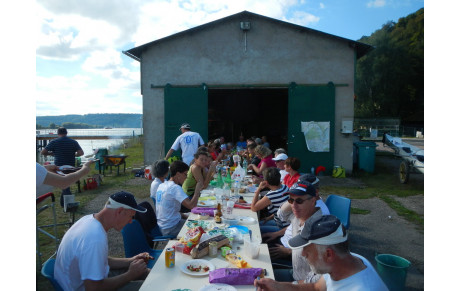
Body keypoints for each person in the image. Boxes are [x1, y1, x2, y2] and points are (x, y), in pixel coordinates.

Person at [254, 215, 388, 291]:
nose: (302, 254)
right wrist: (276, 286)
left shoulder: (362, 288)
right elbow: (316, 287)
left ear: (329, 254)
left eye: (307, 249)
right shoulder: (345, 262)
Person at [54, 191, 151, 291]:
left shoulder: (89, 219)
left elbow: (100, 259)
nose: (131, 221)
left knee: (144, 272)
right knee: (151, 287)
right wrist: (130, 275)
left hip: (83, 280)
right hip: (84, 287)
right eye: (131, 216)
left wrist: (130, 260)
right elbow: (93, 288)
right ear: (119, 211)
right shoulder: (94, 238)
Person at [266, 182, 329, 284]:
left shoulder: (319, 228)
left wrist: (294, 285)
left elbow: (323, 276)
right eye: (291, 200)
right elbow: (281, 214)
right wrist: (293, 199)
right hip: (295, 272)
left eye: (299, 201)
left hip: (304, 282)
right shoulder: (299, 214)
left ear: (313, 201)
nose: (294, 206)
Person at [155, 161, 203, 237]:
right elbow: (191, 206)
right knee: (201, 230)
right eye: (185, 175)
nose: (186, 178)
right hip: (171, 228)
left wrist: (185, 216)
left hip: (163, 226)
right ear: (178, 174)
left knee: (197, 222)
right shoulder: (175, 188)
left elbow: (169, 208)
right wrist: (197, 191)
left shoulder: (162, 185)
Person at [41, 127, 84, 206]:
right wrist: (74, 154)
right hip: (70, 166)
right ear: (66, 133)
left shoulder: (54, 142)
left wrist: (51, 154)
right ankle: (66, 203)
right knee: (66, 184)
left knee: (65, 184)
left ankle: (67, 204)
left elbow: (43, 152)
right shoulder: (73, 142)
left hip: (58, 167)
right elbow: (81, 153)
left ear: (58, 133)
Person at [251, 168, 289, 234]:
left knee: (254, 228)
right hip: (285, 221)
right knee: (259, 223)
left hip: (281, 226)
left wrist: (258, 189)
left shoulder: (272, 195)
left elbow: (254, 208)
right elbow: (280, 208)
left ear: (266, 182)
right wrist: (269, 217)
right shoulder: (285, 187)